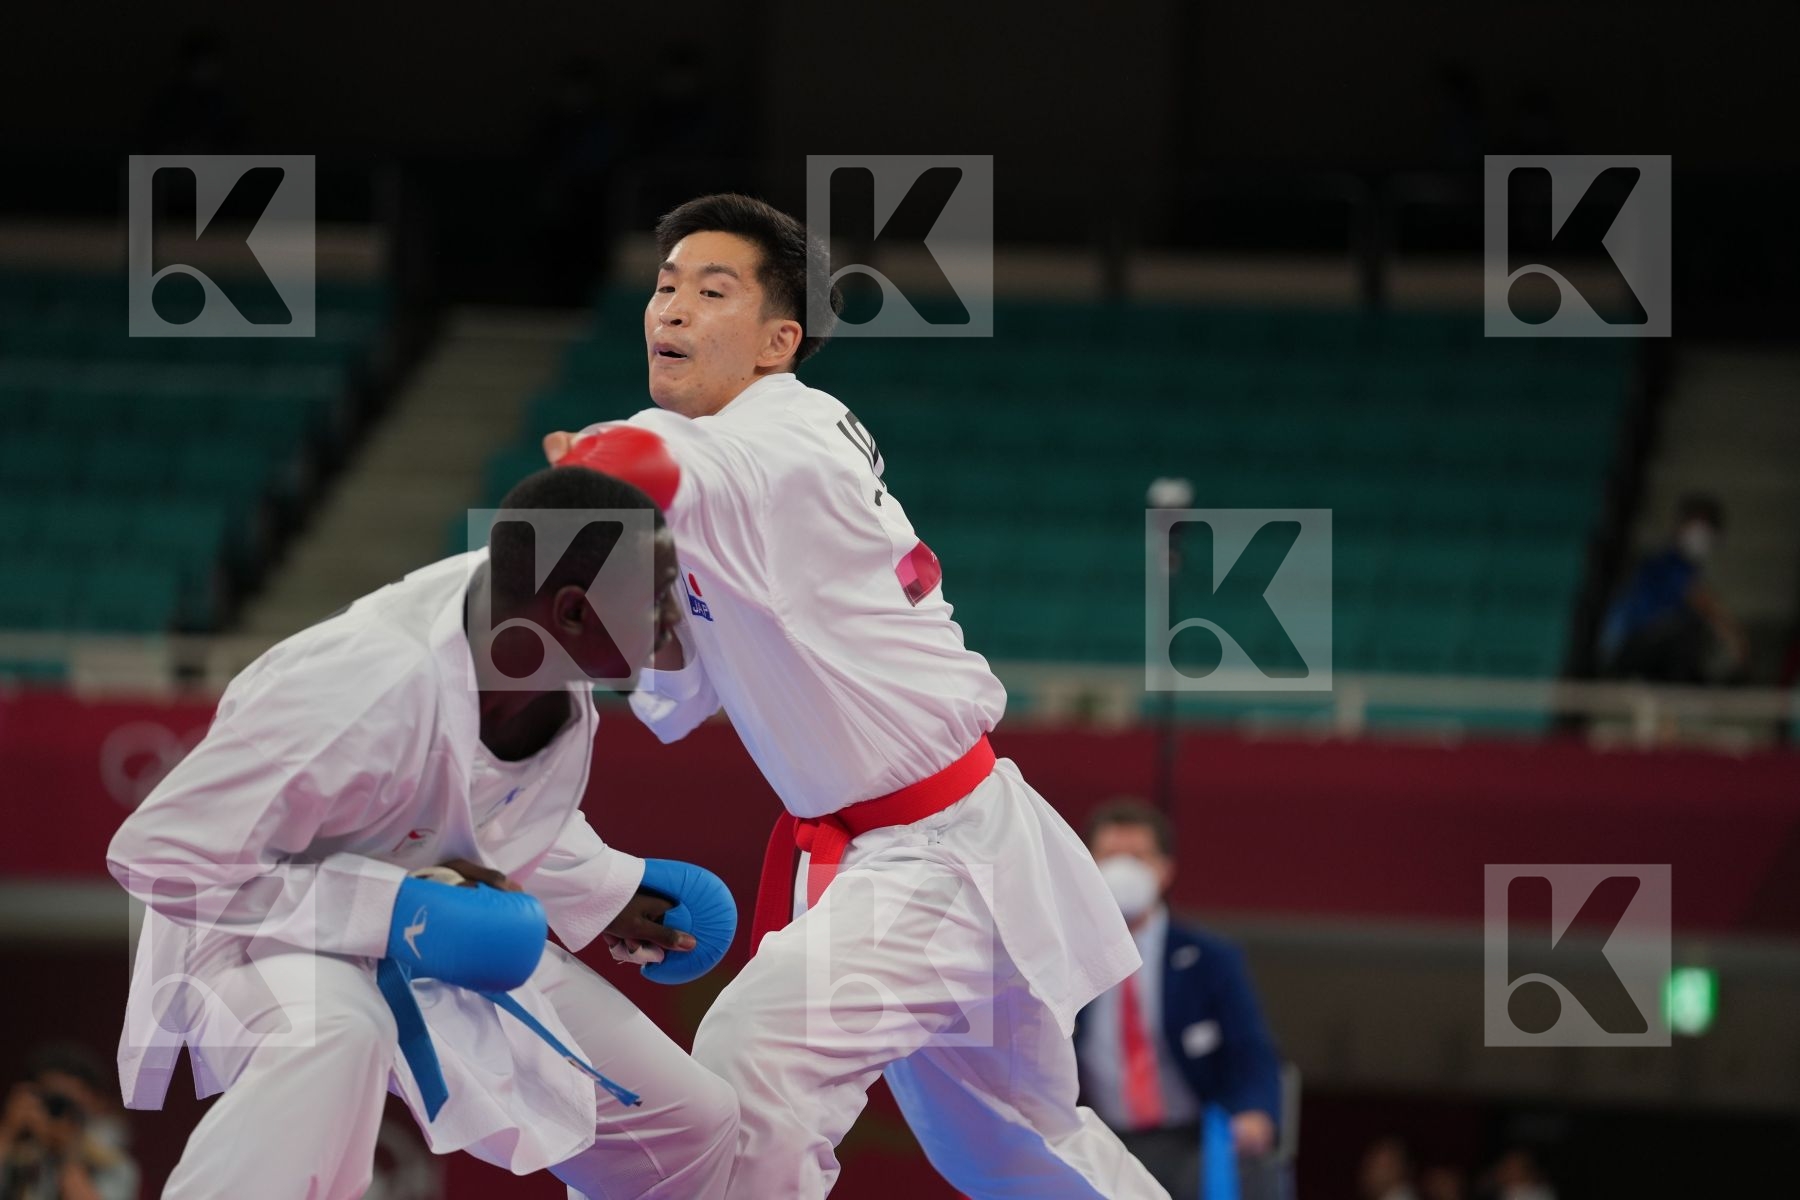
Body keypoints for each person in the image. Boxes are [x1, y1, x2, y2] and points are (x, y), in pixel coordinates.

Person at [542, 192, 1165, 1198]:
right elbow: (683, 680)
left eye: (711, 291)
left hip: (935, 855)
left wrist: (588, 473)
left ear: (778, 341)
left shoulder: (774, 440)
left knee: (757, 1059)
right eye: (663, 289)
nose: (672, 311)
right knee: (1010, 1140)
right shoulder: (725, 458)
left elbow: (641, 458)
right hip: (932, 841)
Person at [105, 466, 740, 1200]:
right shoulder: (362, 685)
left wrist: (608, 886)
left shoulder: (532, 628)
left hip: (427, 919)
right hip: (254, 928)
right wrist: (398, 909)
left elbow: (462, 796)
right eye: (657, 597)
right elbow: (159, 857)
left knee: (692, 1122)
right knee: (335, 1036)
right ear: (572, 613)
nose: (674, 615)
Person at [1073, 800, 1284, 1199]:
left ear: (1165, 870)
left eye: (1137, 857)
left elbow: (1251, 1049)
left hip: (1192, 1139)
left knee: (1248, 1170)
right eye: (1111, 857)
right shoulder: (1063, 956)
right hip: (1097, 1139)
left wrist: (1253, 1111)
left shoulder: (1210, 958)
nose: (1123, 870)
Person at [1600, 493, 1746, 683]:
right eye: (1695, 525)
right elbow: (1703, 603)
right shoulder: (1665, 562)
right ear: (1679, 526)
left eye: (1707, 527)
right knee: (1690, 626)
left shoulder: (1692, 568)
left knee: (1690, 631)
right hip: (1627, 651)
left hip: (1653, 649)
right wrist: (1735, 640)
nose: (1700, 533)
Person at [0, 1044, 140, 1200]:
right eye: (52, 1102)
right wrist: (8, 1131)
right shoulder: (16, 1153)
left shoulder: (111, 1164)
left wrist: (69, 1157)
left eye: (70, 1106)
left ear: (93, 1107)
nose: (61, 1115)